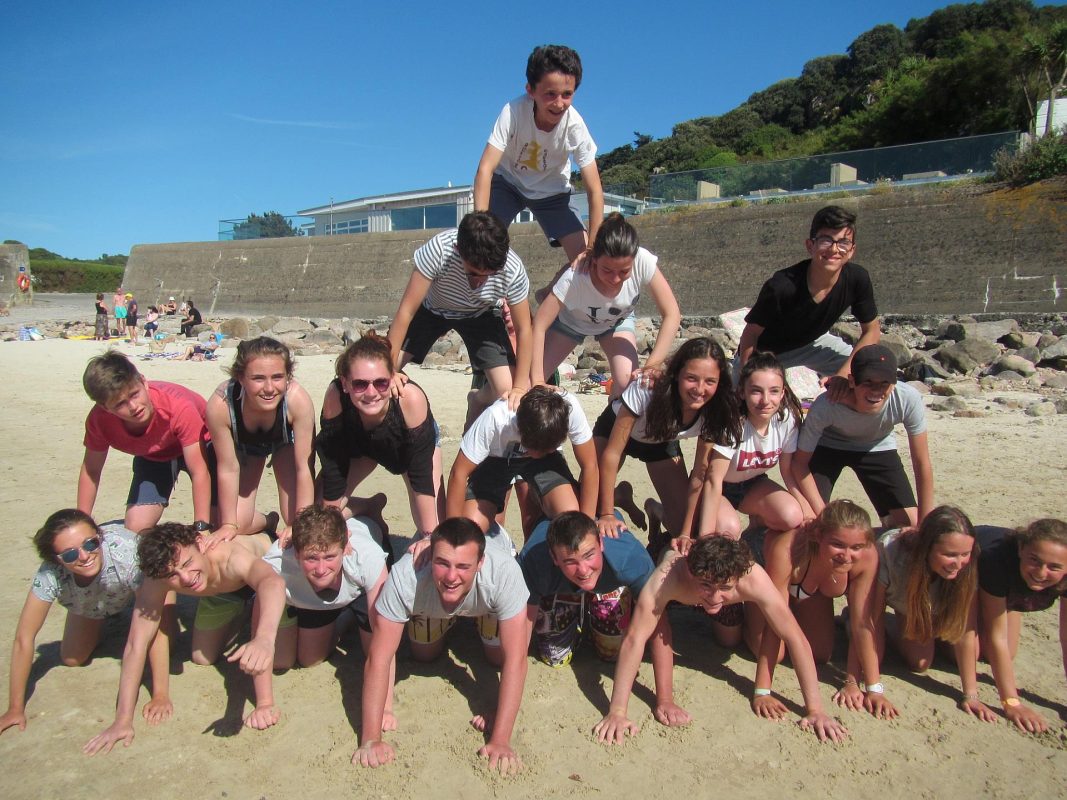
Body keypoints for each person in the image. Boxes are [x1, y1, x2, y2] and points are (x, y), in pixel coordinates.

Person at [593, 535, 847, 744]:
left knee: (729, 638)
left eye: (724, 587)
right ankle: (660, 524)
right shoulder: (666, 580)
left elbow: (794, 637)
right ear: (691, 572)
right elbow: (635, 640)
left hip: (726, 599)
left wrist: (816, 711)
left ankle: (714, 592)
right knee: (659, 627)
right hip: (678, 590)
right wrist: (617, 712)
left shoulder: (752, 577)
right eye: (706, 585)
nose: (714, 597)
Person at [83, 522, 289, 754]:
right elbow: (136, 644)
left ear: (200, 544)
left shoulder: (229, 556)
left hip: (268, 579)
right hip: (222, 591)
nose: (185, 578)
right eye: (172, 575)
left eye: (187, 563)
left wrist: (263, 639)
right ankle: (243, 609)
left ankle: (265, 699)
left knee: (278, 656)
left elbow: (272, 583)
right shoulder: (159, 578)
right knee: (203, 656)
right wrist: (123, 719)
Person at [355, 518, 530, 774]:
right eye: (442, 563)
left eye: (463, 566)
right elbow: (379, 658)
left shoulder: (504, 572)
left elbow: (516, 660)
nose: (451, 576)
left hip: (488, 602)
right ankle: (451, 621)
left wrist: (500, 740)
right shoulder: (407, 575)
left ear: (480, 563)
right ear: (430, 554)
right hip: (434, 602)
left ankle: (474, 619)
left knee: (496, 657)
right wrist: (370, 739)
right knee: (424, 655)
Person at [0, 510, 171, 737]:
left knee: (161, 640)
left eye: (90, 544)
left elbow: (154, 627)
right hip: (94, 598)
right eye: (70, 555)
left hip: (149, 582)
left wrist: (160, 694)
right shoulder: (50, 573)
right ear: (55, 559)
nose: (84, 556)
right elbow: (24, 638)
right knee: (72, 658)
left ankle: (134, 604)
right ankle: (100, 614)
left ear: (99, 536)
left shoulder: (129, 553)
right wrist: (15, 707)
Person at [755, 499, 898, 720]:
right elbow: (774, 619)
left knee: (819, 654)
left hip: (809, 593)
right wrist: (762, 692)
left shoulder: (867, 557)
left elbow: (862, 623)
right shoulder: (788, 549)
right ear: (819, 536)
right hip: (764, 586)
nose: (847, 555)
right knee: (776, 650)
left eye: (856, 547)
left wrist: (871, 688)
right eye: (838, 544)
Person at [595, 338, 741, 547]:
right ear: (676, 374)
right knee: (590, 502)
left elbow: (700, 473)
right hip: (615, 433)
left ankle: (654, 509)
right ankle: (619, 496)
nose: (699, 389)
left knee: (679, 524)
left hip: (660, 442)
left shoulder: (714, 411)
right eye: (691, 378)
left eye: (710, 381)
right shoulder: (648, 390)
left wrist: (685, 533)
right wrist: (608, 514)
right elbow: (612, 453)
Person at [473, 44, 603, 263]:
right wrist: (479, 226)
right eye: (550, 94)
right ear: (531, 90)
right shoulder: (513, 112)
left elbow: (595, 190)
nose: (559, 103)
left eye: (567, 94)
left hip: (552, 192)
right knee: (482, 247)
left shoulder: (575, 127)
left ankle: (550, 292)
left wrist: (593, 245)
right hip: (508, 183)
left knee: (586, 261)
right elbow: (485, 169)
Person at [264, 506, 395, 724]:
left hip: (362, 586)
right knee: (309, 658)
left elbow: (385, 642)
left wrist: (387, 708)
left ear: (345, 549)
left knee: (371, 649)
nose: (321, 567)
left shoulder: (368, 557)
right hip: (319, 593)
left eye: (329, 557)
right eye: (312, 558)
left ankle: (369, 508)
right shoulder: (277, 561)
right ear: (297, 554)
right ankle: (346, 616)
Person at [531, 213, 681, 400]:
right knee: (529, 384)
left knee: (630, 385)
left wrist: (653, 364)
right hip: (571, 322)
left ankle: (609, 425)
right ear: (594, 260)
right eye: (607, 270)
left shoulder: (643, 260)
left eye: (624, 271)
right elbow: (539, 324)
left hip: (616, 321)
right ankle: (548, 292)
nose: (615, 279)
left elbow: (672, 313)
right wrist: (537, 379)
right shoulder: (576, 276)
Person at [737, 205, 880, 397]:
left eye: (843, 242)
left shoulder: (857, 279)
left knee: (870, 372)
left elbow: (871, 330)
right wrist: (747, 378)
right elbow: (750, 333)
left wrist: (844, 374)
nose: (834, 249)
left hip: (814, 342)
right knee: (738, 401)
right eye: (825, 240)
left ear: (852, 250)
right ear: (810, 245)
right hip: (765, 351)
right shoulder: (782, 286)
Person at [677, 351, 811, 549]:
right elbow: (713, 480)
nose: (765, 400)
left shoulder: (787, 420)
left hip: (752, 485)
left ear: (783, 392)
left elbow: (788, 471)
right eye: (756, 391)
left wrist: (808, 512)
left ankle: (755, 532)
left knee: (792, 517)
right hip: (719, 488)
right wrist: (705, 537)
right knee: (728, 529)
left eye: (774, 391)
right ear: (742, 392)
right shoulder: (734, 423)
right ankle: (659, 511)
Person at [792, 343, 933, 528]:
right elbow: (799, 464)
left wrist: (926, 525)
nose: (876, 390)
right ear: (852, 381)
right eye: (868, 382)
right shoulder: (826, 405)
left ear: (894, 382)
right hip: (827, 446)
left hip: (876, 445)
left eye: (884, 383)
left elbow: (922, 463)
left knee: (910, 523)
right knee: (806, 521)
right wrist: (821, 515)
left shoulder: (907, 399)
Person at [317, 333, 443, 540]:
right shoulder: (336, 395)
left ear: (393, 378)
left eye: (381, 383)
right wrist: (329, 524)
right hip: (362, 449)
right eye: (359, 384)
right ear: (345, 383)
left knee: (434, 527)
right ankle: (368, 507)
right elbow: (333, 463)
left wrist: (429, 536)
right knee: (320, 514)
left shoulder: (409, 399)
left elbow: (421, 477)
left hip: (407, 448)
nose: (371, 392)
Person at [875, 506, 994, 721]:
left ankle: (932, 628)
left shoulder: (968, 563)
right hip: (907, 604)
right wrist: (874, 688)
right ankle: (898, 625)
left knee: (971, 653)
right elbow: (871, 617)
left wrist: (971, 694)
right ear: (926, 548)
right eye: (949, 555)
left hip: (939, 606)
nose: (958, 564)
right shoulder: (892, 551)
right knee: (919, 663)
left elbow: (966, 629)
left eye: (964, 554)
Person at [77, 351, 214, 533]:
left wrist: (201, 526)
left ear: (143, 382)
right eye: (120, 404)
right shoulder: (99, 421)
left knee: (221, 520)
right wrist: (82, 523)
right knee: (135, 527)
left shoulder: (178, 407)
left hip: (203, 446)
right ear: (105, 408)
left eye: (134, 394)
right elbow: (91, 470)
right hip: (154, 456)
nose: (134, 407)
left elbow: (199, 471)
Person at [519, 511, 665, 670]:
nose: (583, 570)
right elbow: (523, 628)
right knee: (554, 657)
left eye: (589, 555)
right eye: (570, 561)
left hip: (608, 581)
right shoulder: (533, 562)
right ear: (554, 558)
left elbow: (659, 625)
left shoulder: (629, 557)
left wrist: (664, 696)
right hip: (559, 587)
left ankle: (604, 601)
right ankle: (575, 607)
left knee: (613, 651)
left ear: (601, 543)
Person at [207, 337, 315, 543]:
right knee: (237, 523)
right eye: (258, 378)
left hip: (286, 442)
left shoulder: (297, 401)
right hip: (247, 446)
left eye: (277, 377)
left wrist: (299, 523)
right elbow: (228, 467)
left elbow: (304, 467)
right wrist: (229, 525)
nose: (269, 388)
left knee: (298, 519)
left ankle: (366, 505)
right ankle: (268, 521)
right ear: (241, 377)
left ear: (288, 376)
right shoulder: (221, 405)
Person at [447, 385, 599, 531]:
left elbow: (590, 465)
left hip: (547, 462)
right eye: (533, 449)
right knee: (472, 526)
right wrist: (453, 531)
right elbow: (458, 473)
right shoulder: (496, 417)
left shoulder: (568, 409)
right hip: (496, 460)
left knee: (569, 516)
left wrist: (587, 523)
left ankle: (542, 503)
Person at [977, 518, 1067, 734]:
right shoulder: (995, 560)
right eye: (1035, 560)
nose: (1041, 572)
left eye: (1054, 567)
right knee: (971, 652)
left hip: (1011, 591)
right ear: (1020, 548)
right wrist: (1011, 702)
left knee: (1006, 653)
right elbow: (996, 637)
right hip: (973, 572)